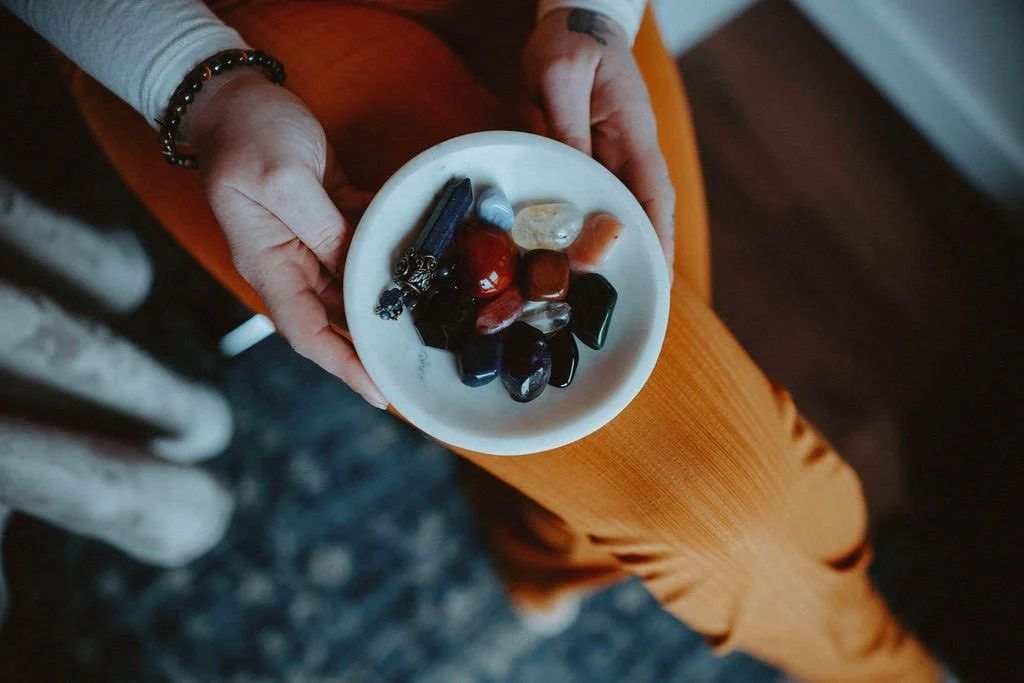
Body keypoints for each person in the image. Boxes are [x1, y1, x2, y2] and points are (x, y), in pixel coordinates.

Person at [3, 0, 949, 680]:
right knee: (727, 501)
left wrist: (597, 16)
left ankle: (548, 546)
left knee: (631, 366)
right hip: (219, 26)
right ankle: (882, 669)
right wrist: (195, 83)